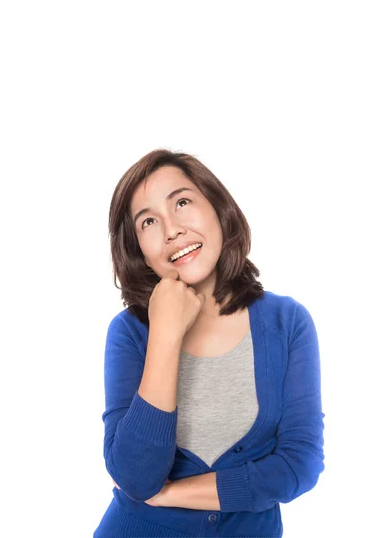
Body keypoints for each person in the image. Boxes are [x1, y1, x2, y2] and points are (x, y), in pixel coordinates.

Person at [93, 148, 325, 538]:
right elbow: (134, 476)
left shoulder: (287, 323)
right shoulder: (130, 333)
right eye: (148, 221)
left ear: (219, 209)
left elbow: (298, 466)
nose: (171, 230)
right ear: (140, 251)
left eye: (182, 202)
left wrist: (170, 494)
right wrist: (165, 336)